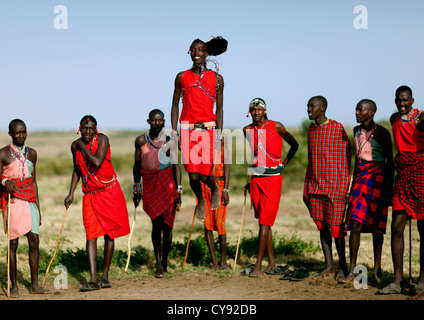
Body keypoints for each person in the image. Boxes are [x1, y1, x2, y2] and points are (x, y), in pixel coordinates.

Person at [64, 115, 130, 291]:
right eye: (84, 129)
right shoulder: (74, 146)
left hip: (109, 192)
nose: (87, 132)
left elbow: (97, 161)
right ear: (80, 128)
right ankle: (93, 279)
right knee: (91, 234)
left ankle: (105, 277)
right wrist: (71, 193)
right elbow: (77, 169)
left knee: (109, 234)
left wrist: (82, 147)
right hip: (90, 194)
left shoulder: (102, 139)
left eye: (91, 129)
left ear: (96, 129)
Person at [171, 37, 227, 220]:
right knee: (193, 176)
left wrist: (219, 135)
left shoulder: (217, 78)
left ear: (206, 53)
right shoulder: (181, 76)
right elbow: (174, 105)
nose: (197, 53)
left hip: (209, 130)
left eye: (200, 50)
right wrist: (174, 132)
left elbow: (219, 109)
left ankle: (215, 189)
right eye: (193, 50)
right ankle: (200, 200)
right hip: (187, 129)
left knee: (204, 175)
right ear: (189, 51)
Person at [243, 98, 299, 277]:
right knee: (263, 220)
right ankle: (272, 262)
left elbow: (294, 144)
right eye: (253, 110)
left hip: (273, 179)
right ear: (250, 112)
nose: (256, 112)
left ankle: (258, 266)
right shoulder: (247, 130)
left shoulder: (277, 126)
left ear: (265, 111)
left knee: (264, 222)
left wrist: (285, 164)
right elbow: (254, 154)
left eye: (259, 109)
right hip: (256, 179)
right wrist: (249, 180)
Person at [378, 85, 424, 294]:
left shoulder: (421, 118)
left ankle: (422, 280)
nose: (402, 103)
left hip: (421, 173)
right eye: (399, 100)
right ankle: (397, 281)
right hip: (403, 174)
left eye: (405, 100)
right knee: (397, 226)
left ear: (412, 101)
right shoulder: (394, 119)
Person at [342, 99, 394, 283]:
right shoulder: (356, 131)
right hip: (361, 179)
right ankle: (352, 271)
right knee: (354, 223)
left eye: (360, 110)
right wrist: (352, 185)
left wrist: (389, 191)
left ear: (370, 113)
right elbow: (357, 161)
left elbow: (390, 163)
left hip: (378, 179)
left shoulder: (382, 133)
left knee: (376, 227)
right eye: (356, 109)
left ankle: (377, 271)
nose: (356, 113)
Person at [303, 96, 350, 280]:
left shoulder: (337, 128)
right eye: (307, 106)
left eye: (311, 106)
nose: (308, 109)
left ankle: (343, 267)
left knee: (337, 229)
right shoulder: (311, 130)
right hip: (315, 187)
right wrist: (307, 185)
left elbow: (347, 155)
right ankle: (329, 266)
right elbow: (310, 159)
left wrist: (344, 183)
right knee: (322, 228)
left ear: (321, 108)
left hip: (335, 188)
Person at [0, 119, 48, 298]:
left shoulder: (32, 153)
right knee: (13, 243)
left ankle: (35, 284)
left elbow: (34, 182)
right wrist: (5, 182)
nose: (21, 135)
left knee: (34, 240)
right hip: (13, 201)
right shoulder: (3, 154)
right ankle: (13, 286)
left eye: (24, 132)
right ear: (10, 134)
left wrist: (38, 207)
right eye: (17, 132)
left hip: (30, 200)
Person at [133, 109, 181, 278]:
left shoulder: (169, 141)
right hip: (150, 184)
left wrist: (179, 189)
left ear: (164, 122)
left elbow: (176, 166)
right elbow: (136, 166)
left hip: (167, 185)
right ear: (148, 121)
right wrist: (136, 189)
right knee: (156, 223)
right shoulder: (140, 141)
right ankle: (159, 263)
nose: (157, 123)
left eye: (160, 120)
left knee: (168, 226)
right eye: (154, 120)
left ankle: (165, 260)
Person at [200, 134, 230, 270]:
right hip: (204, 184)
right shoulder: (199, 139)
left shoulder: (222, 139)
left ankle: (223, 261)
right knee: (207, 223)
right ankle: (214, 261)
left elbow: (227, 165)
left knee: (220, 223)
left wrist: (226, 190)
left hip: (220, 183)